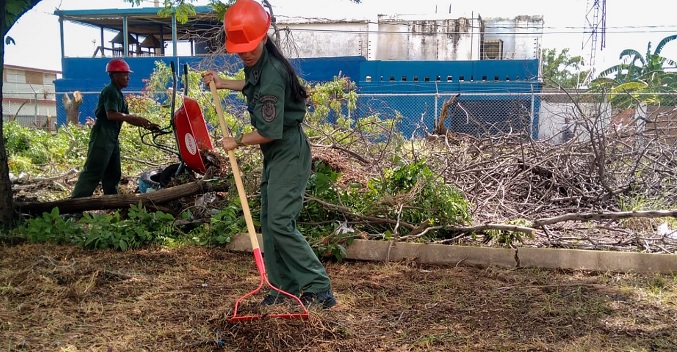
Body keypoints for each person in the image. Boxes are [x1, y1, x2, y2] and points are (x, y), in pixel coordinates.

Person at [202, 0, 336, 309]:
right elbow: (252, 85)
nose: (245, 52)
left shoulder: (273, 73)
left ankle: (319, 289)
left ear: (264, 36)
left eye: (250, 46)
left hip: (287, 149)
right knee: (268, 219)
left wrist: (236, 140)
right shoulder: (258, 65)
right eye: (240, 48)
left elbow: (270, 131)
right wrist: (224, 83)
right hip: (275, 153)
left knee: (279, 222)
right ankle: (281, 287)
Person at [71, 58, 159, 198]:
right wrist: (135, 118)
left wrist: (147, 124)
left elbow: (127, 117)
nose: (128, 78)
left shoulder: (118, 93)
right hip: (102, 136)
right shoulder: (110, 91)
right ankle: (75, 203)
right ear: (115, 76)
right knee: (94, 170)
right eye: (125, 74)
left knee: (113, 171)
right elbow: (111, 115)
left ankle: (112, 200)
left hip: (112, 137)